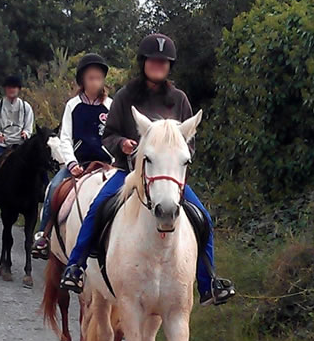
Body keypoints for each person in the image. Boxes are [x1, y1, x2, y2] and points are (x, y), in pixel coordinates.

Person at [59, 34, 236, 306]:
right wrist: (124, 144)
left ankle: (207, 282)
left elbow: (190, 144)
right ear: (143, 62)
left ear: (169, 66)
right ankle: (76, 266)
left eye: (163, 62)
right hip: (127, 172)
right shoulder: (125, 96)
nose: (158, 65)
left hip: (167, 178)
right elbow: (109, 135)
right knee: (98, 208)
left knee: (203, 218)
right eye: (153, 61)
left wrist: (174, 161)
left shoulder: (179, 100)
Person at [32, 54, 113, 259]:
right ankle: (44, 234)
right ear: (82, 81)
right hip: (79, 163)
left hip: (106, 165)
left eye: (98, 77)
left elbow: (115, 136)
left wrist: (113, 161)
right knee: (55, 187)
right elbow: (65, 137)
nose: (95, 81)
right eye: (90, 77)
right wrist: (71, 162)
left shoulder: (111, 106)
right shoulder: (73, 105)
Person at [0, 75, 35, 204]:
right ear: (5, 89)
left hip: (20, 144)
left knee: (37, 161)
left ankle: (41, 188)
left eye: (14, 87)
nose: (12, 90)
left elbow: (29, 125)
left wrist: (26, 133)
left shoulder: (26, 107)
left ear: (19, 89)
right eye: (9, 87)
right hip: (2, 143)